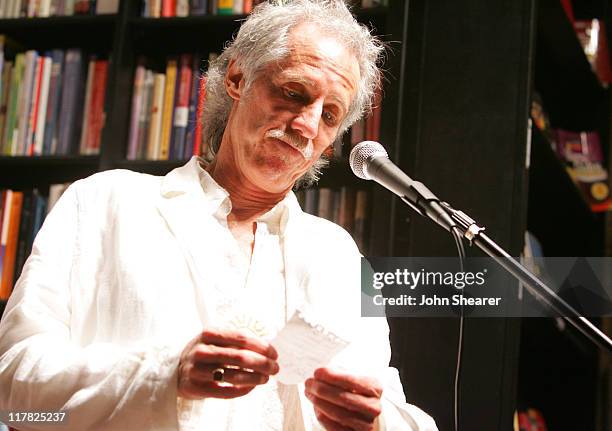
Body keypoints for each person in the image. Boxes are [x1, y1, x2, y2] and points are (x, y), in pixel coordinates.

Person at [0, 1, 438, 430]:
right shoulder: (105, 202)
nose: (307, 125)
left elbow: (397, 411)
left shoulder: (337, 254)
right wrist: (164, 375)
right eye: (293, 93)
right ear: (236, 78)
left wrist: (375, 421)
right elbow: (14, 394)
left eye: (329, 115)